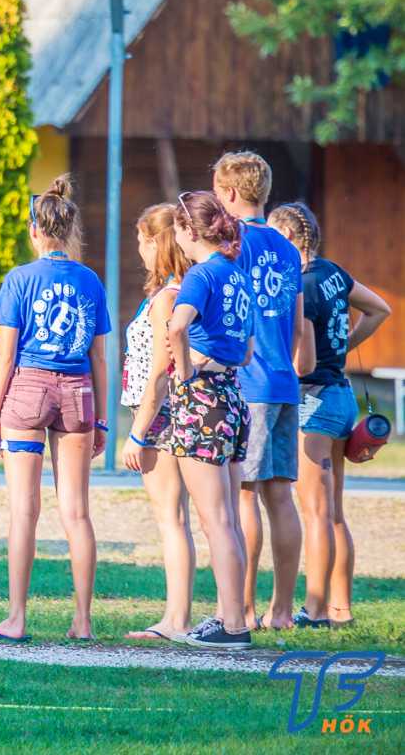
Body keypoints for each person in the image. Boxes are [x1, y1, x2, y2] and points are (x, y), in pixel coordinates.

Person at [0, 176, 109, 643]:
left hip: (28, 392)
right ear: (71, 231)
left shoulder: (20, 279)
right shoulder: (90, 281)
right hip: (78, 392)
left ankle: (16, 617)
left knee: (24, 513)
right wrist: (100, 419)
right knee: (76, 512)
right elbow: (98, 355)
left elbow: (5, 355)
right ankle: (83, 620)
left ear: (35, 230)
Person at [269, 201, 391, 628]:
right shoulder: (336, 273)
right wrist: (345, 345)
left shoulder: (300, 285)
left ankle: (315, 609)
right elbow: (380, 309)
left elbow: (302, 362)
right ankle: (341, 606)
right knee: (334, 511)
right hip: (341, 395)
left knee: (315, 511)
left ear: (285, 237)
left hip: (314, 398)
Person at [211, 151, 312, 631]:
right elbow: (294, 325)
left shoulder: (232, 242)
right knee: (281, 497)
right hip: (283, 382)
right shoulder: (289, 249)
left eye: (216, 191)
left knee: (243, 499)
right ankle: (284, 611)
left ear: (229, 194)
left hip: (246, 382)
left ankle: (243, 608)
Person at [165, 190, 255, 650]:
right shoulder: (237, 275)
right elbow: (247, 348)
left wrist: (183, 372)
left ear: (187, 229)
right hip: (233, 396)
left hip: (202, 400)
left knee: (214, 519)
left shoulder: (200, 274)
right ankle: (230, 614)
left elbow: (177, 326)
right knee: (230, 519)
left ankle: (233, 626)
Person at [117, 203, 194, 642]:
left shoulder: (167, 296)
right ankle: (177, 615)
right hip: (158, 415)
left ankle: (176, 619)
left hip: (158, 419)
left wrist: (137, 431)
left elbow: (160, 370)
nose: (139, 250)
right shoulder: (170, 291)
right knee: (174, 517)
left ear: (155, 242)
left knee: (171, 518)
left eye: (142, 242)